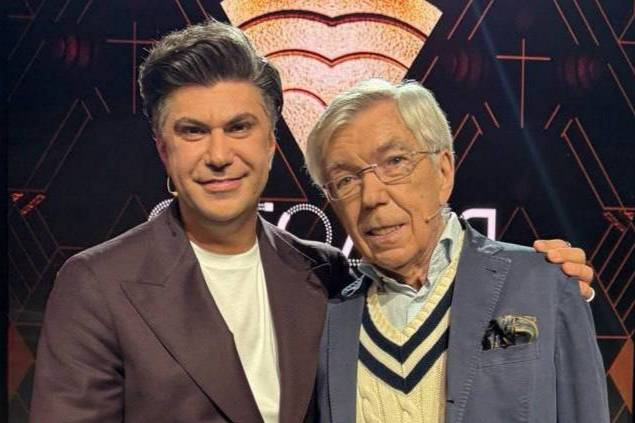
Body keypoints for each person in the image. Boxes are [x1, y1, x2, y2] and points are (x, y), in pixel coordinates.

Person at [31, 21, 595, 423]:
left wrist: (557, 285)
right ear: (163, 150)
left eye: (240, 127)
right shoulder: (98, 285)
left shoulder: (326, 275)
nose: (220, 155)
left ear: (271, 142)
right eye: (193, 131)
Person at [306, 79, 609, 422]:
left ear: (444, 171)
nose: (372, 196)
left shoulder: (543, 284)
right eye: (345, 180)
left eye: (394, 161)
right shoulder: (329, 323)